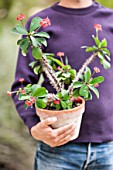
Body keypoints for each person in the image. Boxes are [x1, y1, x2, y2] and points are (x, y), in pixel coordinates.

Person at [11, 0, 113, 169]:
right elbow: (22, 87)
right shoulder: (39, 24)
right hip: (57, 149)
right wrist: (34, 127)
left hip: (108, 149)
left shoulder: (110, 19)